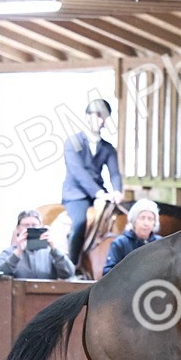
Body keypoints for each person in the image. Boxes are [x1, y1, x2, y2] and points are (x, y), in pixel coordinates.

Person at [63, 98, 124, 264]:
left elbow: (115, 173)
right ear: (86, 117)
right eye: (96, 116)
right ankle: (72, 264)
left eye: (103, 117)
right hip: (76, 194)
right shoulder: (72, 142)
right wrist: (99, 193)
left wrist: (117, 191)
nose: (99, 120)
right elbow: (78, 172)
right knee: (80, 223)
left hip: (100, 194)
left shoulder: (108, 147)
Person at [0, 209, 75, 279]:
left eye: (34, 225)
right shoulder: (9, 252)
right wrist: (18, 252)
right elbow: (0, 274)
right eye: (26, 225)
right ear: (18, 228)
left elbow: (69, 273)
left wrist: (54, 248)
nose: (31, 228)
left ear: (41, 226)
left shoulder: (50, 253)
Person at [102, 199, 162, 276]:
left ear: (154, 223)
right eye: (142, 218)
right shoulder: (120, 243)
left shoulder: (160, 243)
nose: (146, 223)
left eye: (150, 219)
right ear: (134, 221)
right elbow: (107, 273)